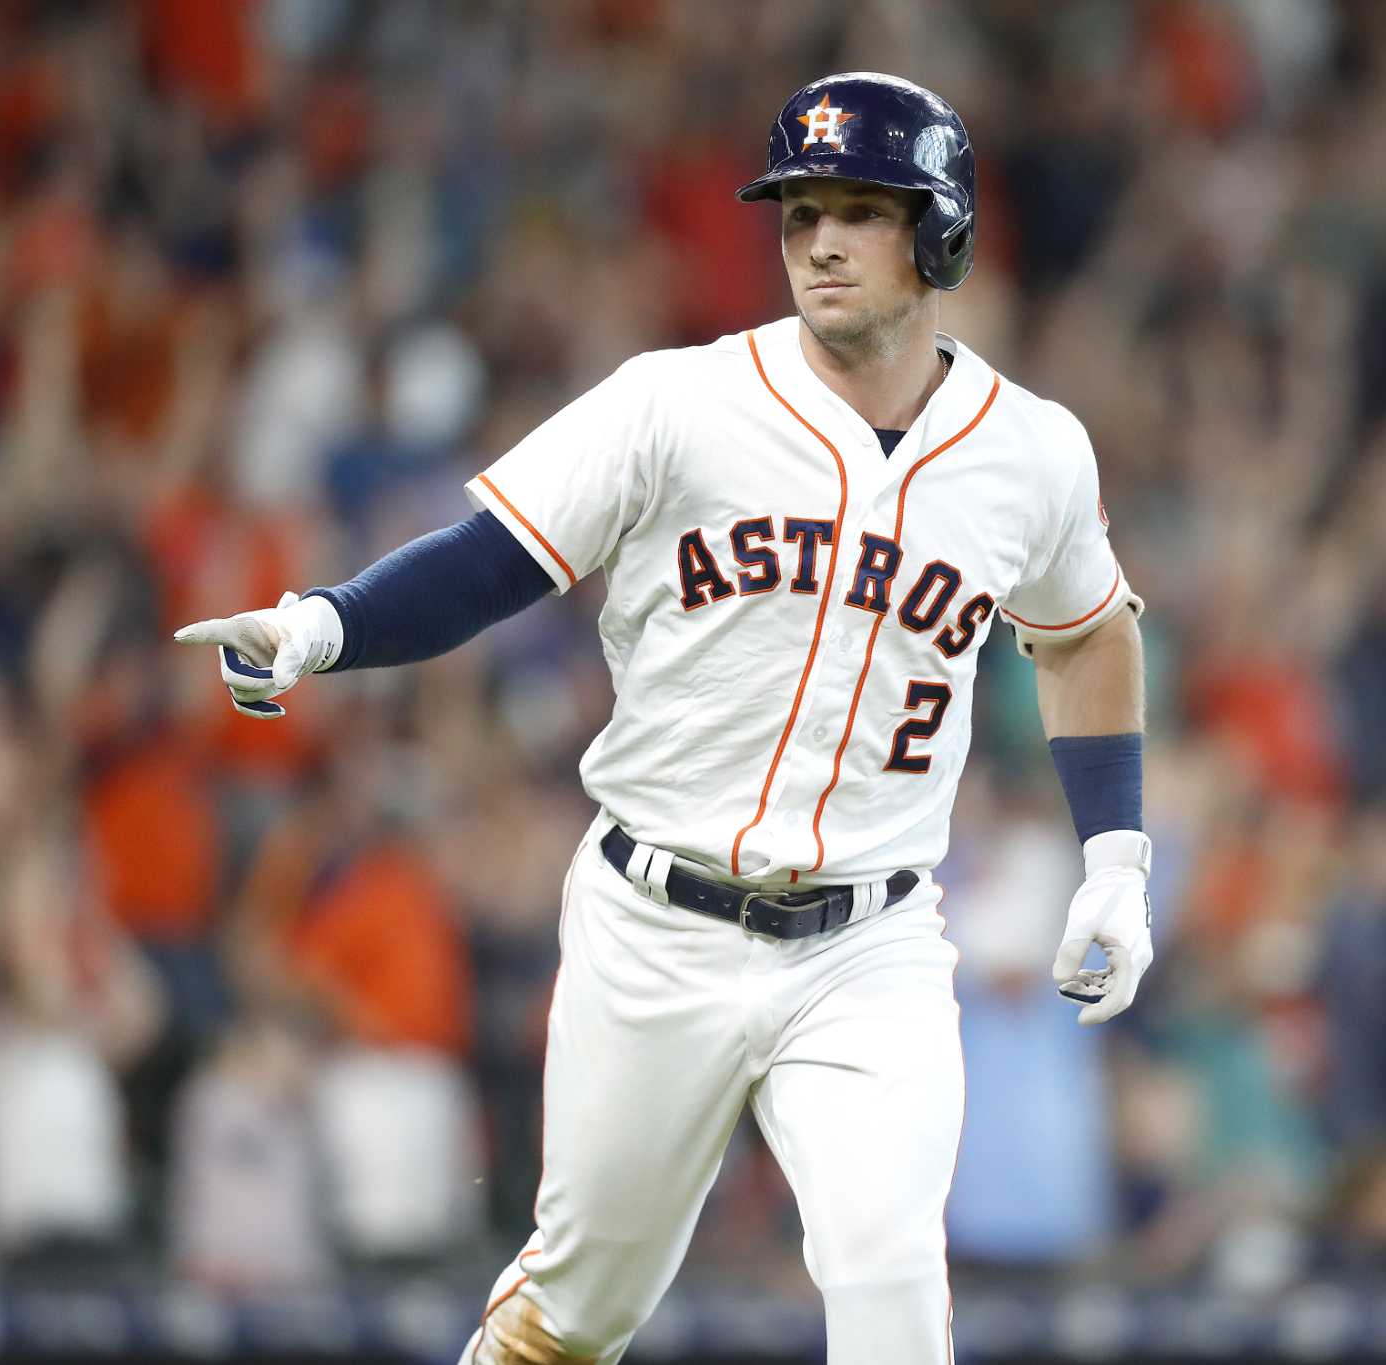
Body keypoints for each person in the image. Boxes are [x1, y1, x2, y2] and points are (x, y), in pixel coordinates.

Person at [176, 72, 1151, 1365]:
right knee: (578, 1314)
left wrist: (1117, 858)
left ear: (944, 233)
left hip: (870, 942)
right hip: (656, 923)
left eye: (861, 211)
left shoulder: (1032, 453)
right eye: (801, 214)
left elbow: (1087, 630)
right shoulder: (679, 403)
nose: (820, 243)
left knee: (892, 1276)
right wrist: (321, 626)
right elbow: (491, 560)